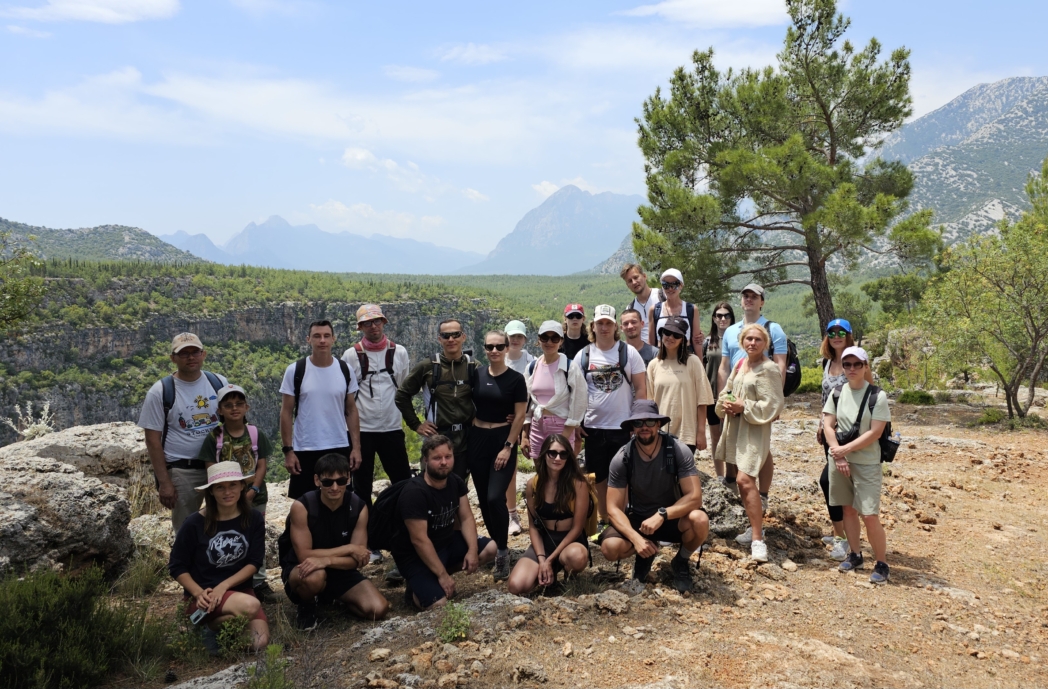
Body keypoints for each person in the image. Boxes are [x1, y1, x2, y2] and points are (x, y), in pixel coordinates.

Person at [599, 400, 709, 594]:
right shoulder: (623, 457)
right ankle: (645, 552)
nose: (644, 427)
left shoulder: (676, 449)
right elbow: (613, 508)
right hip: (638, 520)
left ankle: (681, 561)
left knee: (699, 520)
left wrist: (662, 514)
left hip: (671, 519)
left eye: (650, 422)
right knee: (610, 547)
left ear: (658, 424)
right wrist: (635, 538)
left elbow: (694, 497)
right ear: (632, 427)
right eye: (638, 423)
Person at [168, 461, 268, 655]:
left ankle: (209, 629)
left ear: (241, 486)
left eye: (232, 485)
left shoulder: (254, 519)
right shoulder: (194, 523)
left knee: (258, 642)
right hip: (203, 597)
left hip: (239, 590)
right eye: (220, 487)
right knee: (251, 605)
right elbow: (177, 566)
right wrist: (198, 593)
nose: (227, 492)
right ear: (211, 491)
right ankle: (204, 623)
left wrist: (223, 587)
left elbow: (254, 563)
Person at [280, 453, 390, 629]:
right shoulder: (302, 507)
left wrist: (327, 560)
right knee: (314, 576)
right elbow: (304, 555)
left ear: (348, 479)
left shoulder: (359, 507)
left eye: (341, 481)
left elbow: (359, 559)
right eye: (327, 482)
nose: (335, 487)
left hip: (340, 570)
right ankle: (307, 604)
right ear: (317, 481)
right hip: (304, 570)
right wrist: (350, 548)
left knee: (378, 609)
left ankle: (334, 596)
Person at [391, 435, 496, 610]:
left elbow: (466, 517)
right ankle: (418, 587)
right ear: (425, 460)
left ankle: (434, 578)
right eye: (437, 458)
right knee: (438, 604)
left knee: (490, 548)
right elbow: (419, 540)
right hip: (415, 556)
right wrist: (442, 576)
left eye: (448, 457)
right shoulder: (414, 493)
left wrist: (472, 550)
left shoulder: (454, 481)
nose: (443, 462)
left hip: (445, 543)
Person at [139, 332, 228, 530]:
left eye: (195, 352)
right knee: (186, 529)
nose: (190, 357)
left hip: (217, 466)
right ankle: (185, 562)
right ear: (173, 358)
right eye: (183, 353)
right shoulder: (160, 391)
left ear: (203, 354)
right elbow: (152, 439)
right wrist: (164, 482)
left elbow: (233, 420)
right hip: (182, 470)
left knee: (223, 523)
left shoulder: (219, 383)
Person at [717, 284, 787, 531]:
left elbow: (779, 366)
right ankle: (748, 500)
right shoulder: (731, 331)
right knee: (741, 452)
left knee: (761, 450)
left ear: (762, 302)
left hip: (759, 398)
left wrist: (774, 404)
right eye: (745, 295)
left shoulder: (773, 328)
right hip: (737, 395)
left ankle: (762, 496)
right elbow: (726, 366)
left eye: (754, 296)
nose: (748, 299)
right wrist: (722, 397)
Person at [574, 304, 648, 534]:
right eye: (600, 323)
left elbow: (641, 389)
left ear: (615, 326)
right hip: (594, 426)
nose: (604, 327)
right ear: (593, 326)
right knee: (598, 475)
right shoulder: (584, 355)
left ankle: (621, 517)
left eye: (608, 323)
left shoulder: (628, 353)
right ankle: (605, 518)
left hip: (622, 426)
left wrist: (638, 421)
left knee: (624, 475)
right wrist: (577, 422)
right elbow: (576, 392)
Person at [198, 384, 274, 602]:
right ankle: (227, 577)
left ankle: (258, 581)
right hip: (226, 499)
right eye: (228, 405)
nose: (234, 409)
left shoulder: (255, 433)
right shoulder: (214, 438)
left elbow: (261, 465)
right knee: (226, 536)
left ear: (247, 407)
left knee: (255, 535)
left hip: (255, 496)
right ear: (219, 410)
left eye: (239, 404)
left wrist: (252, 491)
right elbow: (211, 469)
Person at [823, 346, 892, 584]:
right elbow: (827, 425)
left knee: (869, 514)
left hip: (866, 463)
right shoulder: (837, 392)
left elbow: (875, 432)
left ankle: (882, 563)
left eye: (857, 365)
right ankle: (855, 554)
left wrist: (845, 450)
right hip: (840, 460)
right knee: (847, 509)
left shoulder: (877, 396)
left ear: (865, 367)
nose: (852, 369)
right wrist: (839, 456)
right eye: (847, 365)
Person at [280, 320, 363, 500]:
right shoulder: (295, 370)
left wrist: (356, 448)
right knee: (304, 501)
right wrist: (288, 451)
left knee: (340, 500)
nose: (322, 340)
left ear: (333, 339)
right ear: (308, 340)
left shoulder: (344, 369)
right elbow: (286, 412)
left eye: (326, 336)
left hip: (339, 445)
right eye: (317, 336)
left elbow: (351, 410)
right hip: (305, 447)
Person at [469, 330, 528, 580]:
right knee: (483, 499)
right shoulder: (476, 374)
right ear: (484, 349)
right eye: (489, 347)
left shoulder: (516, 379)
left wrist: (508, 446)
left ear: (506, 348)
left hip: (502, 440)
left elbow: (521, 415)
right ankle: (496, 544)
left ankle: (502, 551)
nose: (494, 351)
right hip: (478, 438)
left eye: (499, 347)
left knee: (495, 498)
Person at [341, 304, 412, 507]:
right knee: (361, 485)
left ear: (383, 323)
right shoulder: (350, 356)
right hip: (361, 430)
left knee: (403, 480)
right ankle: (366, 531)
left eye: (377, 321)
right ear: (361, 327)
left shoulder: (399, 352)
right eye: (367, 323)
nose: (373, 326)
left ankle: (400, 526)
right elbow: (347, 397)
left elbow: (403, 387)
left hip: (392, 427)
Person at [817, 318, 874, 562]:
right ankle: (841, 534)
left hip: (851, 435)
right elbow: (825, 398)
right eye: (832, 332)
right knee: (833, 484)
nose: (837, 335)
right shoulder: (827, 362)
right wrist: (821, 424)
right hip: (830, 434)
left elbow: (871, 395)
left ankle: (845, 539)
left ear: (850, 335)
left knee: (833, 484)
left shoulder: (858, 362)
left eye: (842, 332)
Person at [507, 434, 590, 595]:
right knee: (516, 586)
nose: (557, 458)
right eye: (552, 453)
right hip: (544, 541)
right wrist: (541, 559)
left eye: (563, 454)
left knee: (577, 557)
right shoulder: (533, 484)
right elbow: (533, 526)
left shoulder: (578, 484)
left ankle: (566, 573)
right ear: (544, 454)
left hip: (569, 541)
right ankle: (544, 575)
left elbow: (577, 528)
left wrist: (550, 560)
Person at [395, 319, 476, 480]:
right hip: (437, 439)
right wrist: (416, 424)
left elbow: (488, 397)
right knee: (432, 486)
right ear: (439, 339)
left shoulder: (473, 366)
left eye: (455, 335)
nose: (451, 339)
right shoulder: (428, 366)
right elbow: (402, 395)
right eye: (446, 336)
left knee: (459, 488)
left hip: (466, 440)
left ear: (463, 337)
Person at [646, 316, 714, 454]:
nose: (670, 337)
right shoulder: (653, 365)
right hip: (660, 432)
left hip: (687, 433)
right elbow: (649, 402)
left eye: (676, 335)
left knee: (684, 474)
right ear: (661, 334)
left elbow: (703, 400)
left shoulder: (693, 362)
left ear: (683, 339)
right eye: (667, 332)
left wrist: (701, 432)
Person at [521, 320, 587, 460]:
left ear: (561, 341)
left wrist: (566, 435)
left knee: (560, 472)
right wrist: (525, 435)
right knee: (540, 471)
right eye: (545, 338)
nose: (549, 342)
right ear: (539, 340)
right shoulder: (532, 367)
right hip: (537, 426)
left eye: (554, 338)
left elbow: (580, 401)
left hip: (561, 426)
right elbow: (526, 403)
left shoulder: (570, 367)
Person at [502, 319, 534, 535]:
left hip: (527, 421)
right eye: (512, 336)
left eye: (519, 336)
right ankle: (511, 514)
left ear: (524, 339)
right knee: (508, 470)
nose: (515, 340)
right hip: (501, 423)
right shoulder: (497, 358)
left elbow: (535, 396)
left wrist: (525, 431)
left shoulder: (532, 362)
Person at [703, 303, 735, 478]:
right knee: (715, 437)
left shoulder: (738, 339)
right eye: (719, 315)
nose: (723, 319)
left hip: (731, 397)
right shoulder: (707, 342)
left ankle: (732, 475)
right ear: (714, 318)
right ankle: (720, 476)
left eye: (726, 315)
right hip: (711, 397)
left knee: (730, 436)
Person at [646, 269, 703, 354]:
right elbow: (651, 342)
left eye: (674, 284)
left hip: (685, 358)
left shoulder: (691, 309)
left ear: (681, 285)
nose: (670, 288)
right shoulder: (654, 310)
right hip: (662, 359)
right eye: (666, 285)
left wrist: (700, 365)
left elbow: (696, 341)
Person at [621, 263, 663, 343]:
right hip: (644, 353)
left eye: (636, 277)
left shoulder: (662, 297)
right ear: (627, 285)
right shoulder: (630, 308)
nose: (634, 282)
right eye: (630, 281)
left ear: (644, 276)